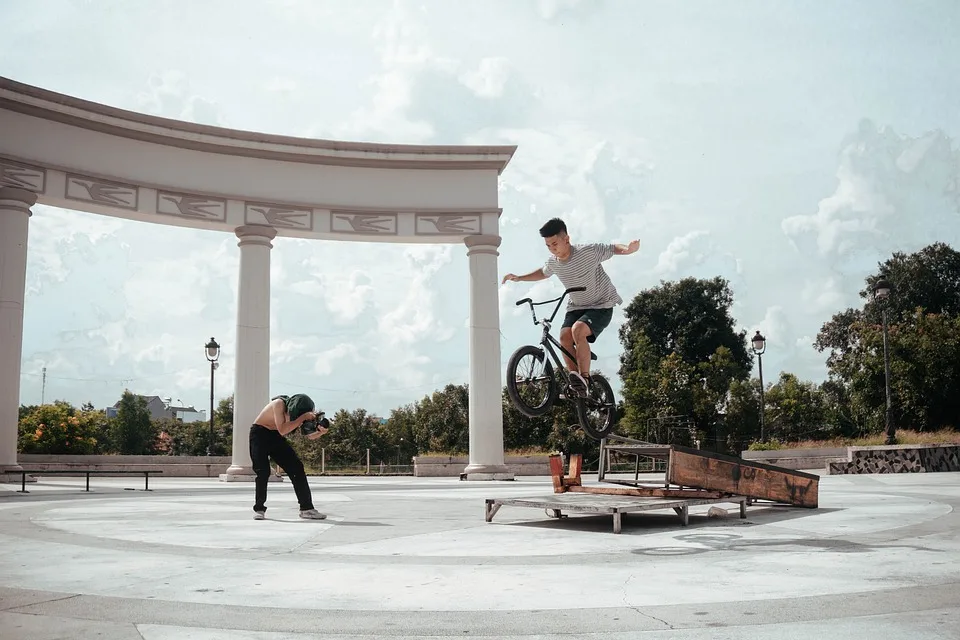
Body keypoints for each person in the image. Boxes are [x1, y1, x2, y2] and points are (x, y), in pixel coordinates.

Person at [501, 217, 639, 396]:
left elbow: (612, 249)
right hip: (576, 306)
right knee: (564, 337)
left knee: (578, 330)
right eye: (548, 246)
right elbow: (542, 273)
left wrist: (628, 249)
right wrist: (519, 277)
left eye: (555, 243)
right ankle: (576, 381)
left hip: (601, 305)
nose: (552, 248)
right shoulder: (554, 263)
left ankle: (586, 378)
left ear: (566, 239)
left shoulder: (587, 251)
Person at [249, 393, 329, 520]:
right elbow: (283, 429)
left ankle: (307, 509)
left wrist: (320, 432)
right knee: (263, 471)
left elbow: (309, 436)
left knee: (297, 468)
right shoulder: (279, 404)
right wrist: (302, 417)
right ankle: (259, 509)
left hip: (276, 437)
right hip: (259, 434)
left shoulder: (299, 415)